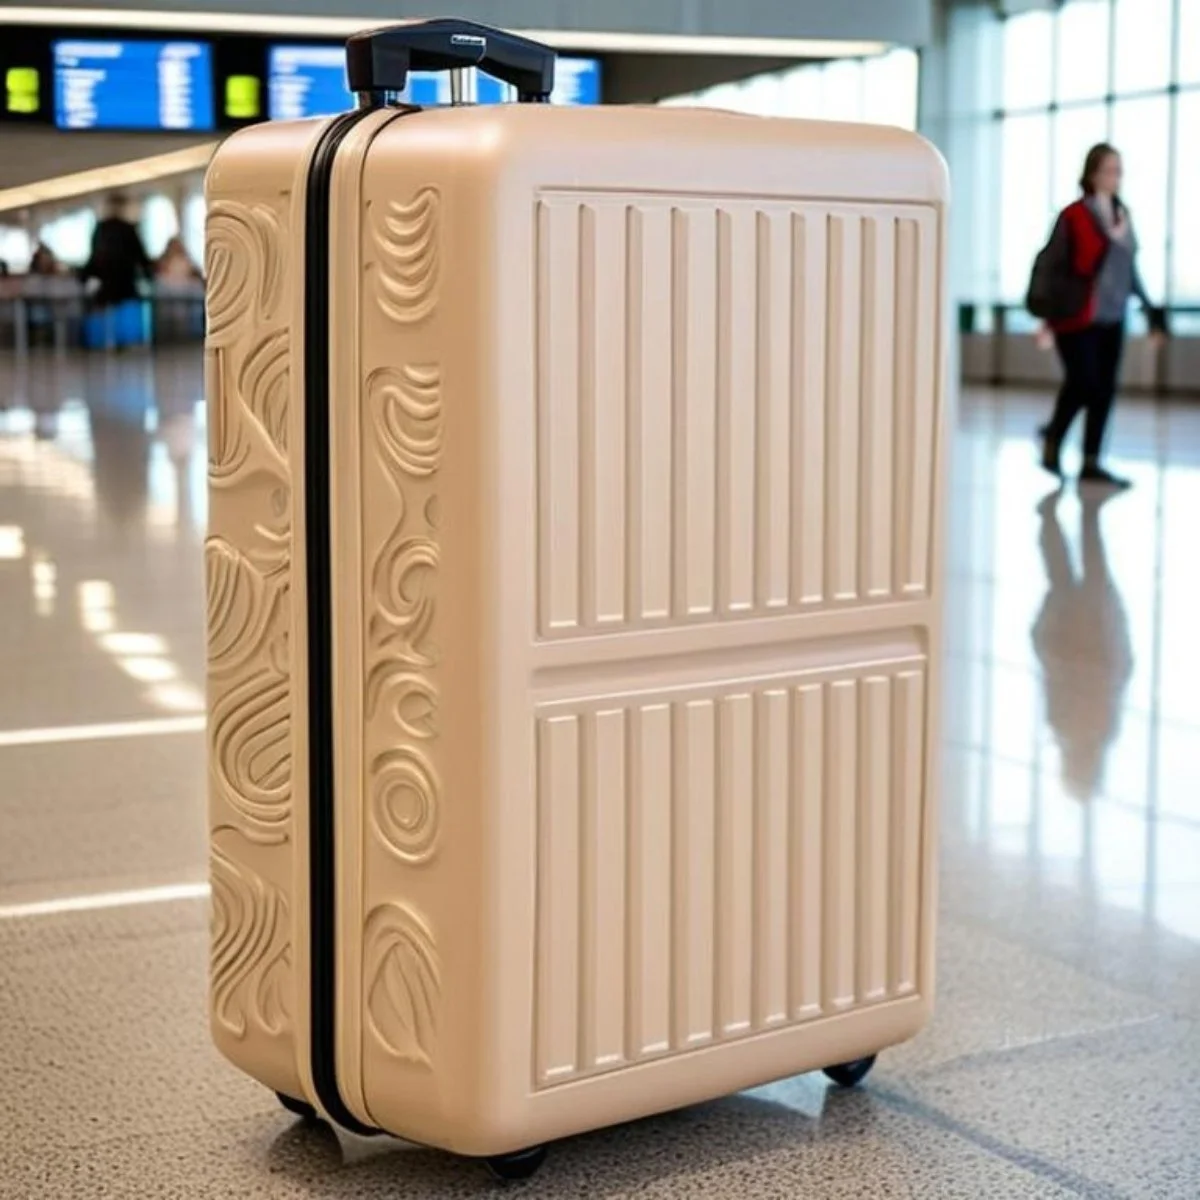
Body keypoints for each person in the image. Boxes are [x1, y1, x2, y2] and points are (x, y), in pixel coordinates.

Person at [1037, 143, 1166, 490]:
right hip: (1077, 317)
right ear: (1092, 173)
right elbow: (1053, 268)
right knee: (1083, 382)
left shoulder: (1123, 217)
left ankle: (1092, 461)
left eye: (1119, 170)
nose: (1115, 177)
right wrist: (1046, 318)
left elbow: (1130, 270)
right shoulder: (1074, 216)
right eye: (1109, 169)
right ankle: (1052, 439)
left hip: (1113, 316)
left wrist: (1151, 313)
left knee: (1104, 390)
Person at [81, 194, 152, 310]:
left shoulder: (100, 229)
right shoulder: (129, 230)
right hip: (126, 284)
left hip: (106, 286)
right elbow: (141, 257)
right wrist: (149, 275)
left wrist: (85, 276)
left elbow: (94, 257)